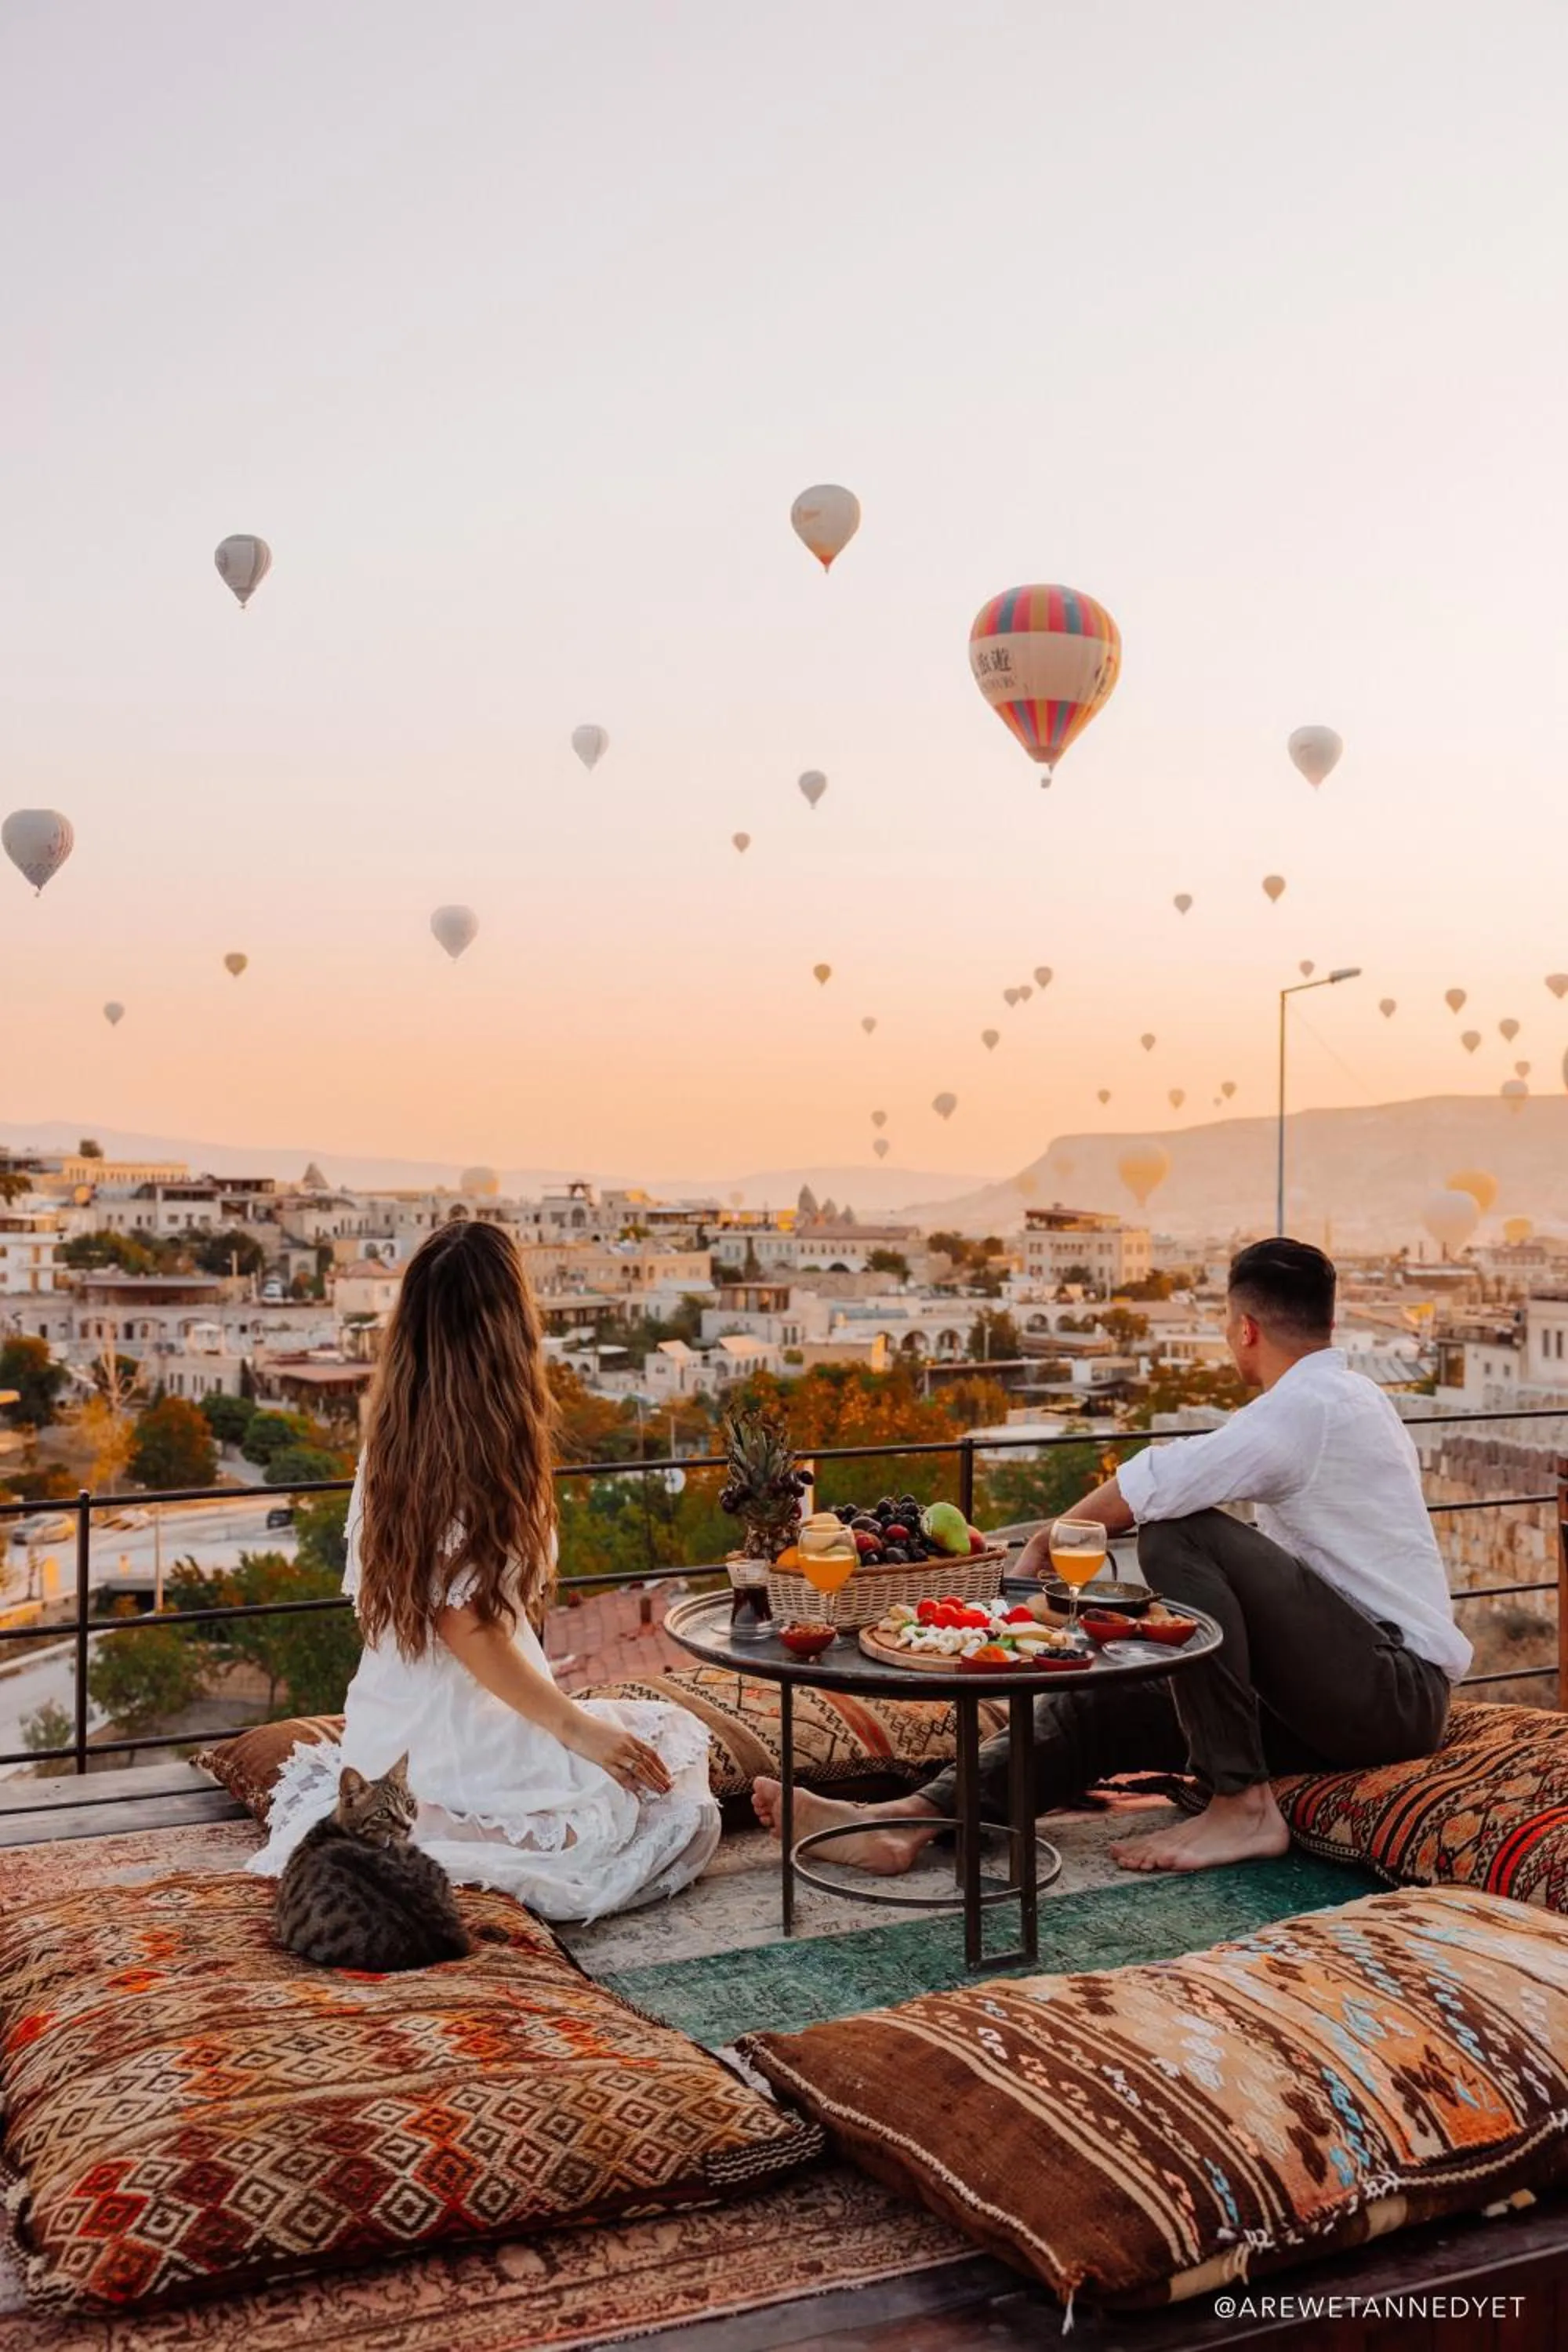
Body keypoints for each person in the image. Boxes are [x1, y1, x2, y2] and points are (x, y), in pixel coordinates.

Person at [754, 1238, 1468, 1878]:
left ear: (1244, 1329)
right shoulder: (1347, 1397)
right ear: (1330, 1322)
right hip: (1337, 1690)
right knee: (1102, 1701)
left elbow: (1163, 1482)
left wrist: (1045, 1538)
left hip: (1388, 1692)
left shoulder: (1309, 1405)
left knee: (1176, 1532)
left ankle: (1243, 1804)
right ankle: (905, 1824)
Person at [250, 1218, 719, 1921]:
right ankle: (446, 1836)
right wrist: (574, 1728)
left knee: (669, 1768)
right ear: (506, 1326)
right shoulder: (469, 1455)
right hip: (468, 1730)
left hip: (397, 1719)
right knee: (679, 1817)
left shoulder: (396, 1440)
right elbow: (465, 1625)